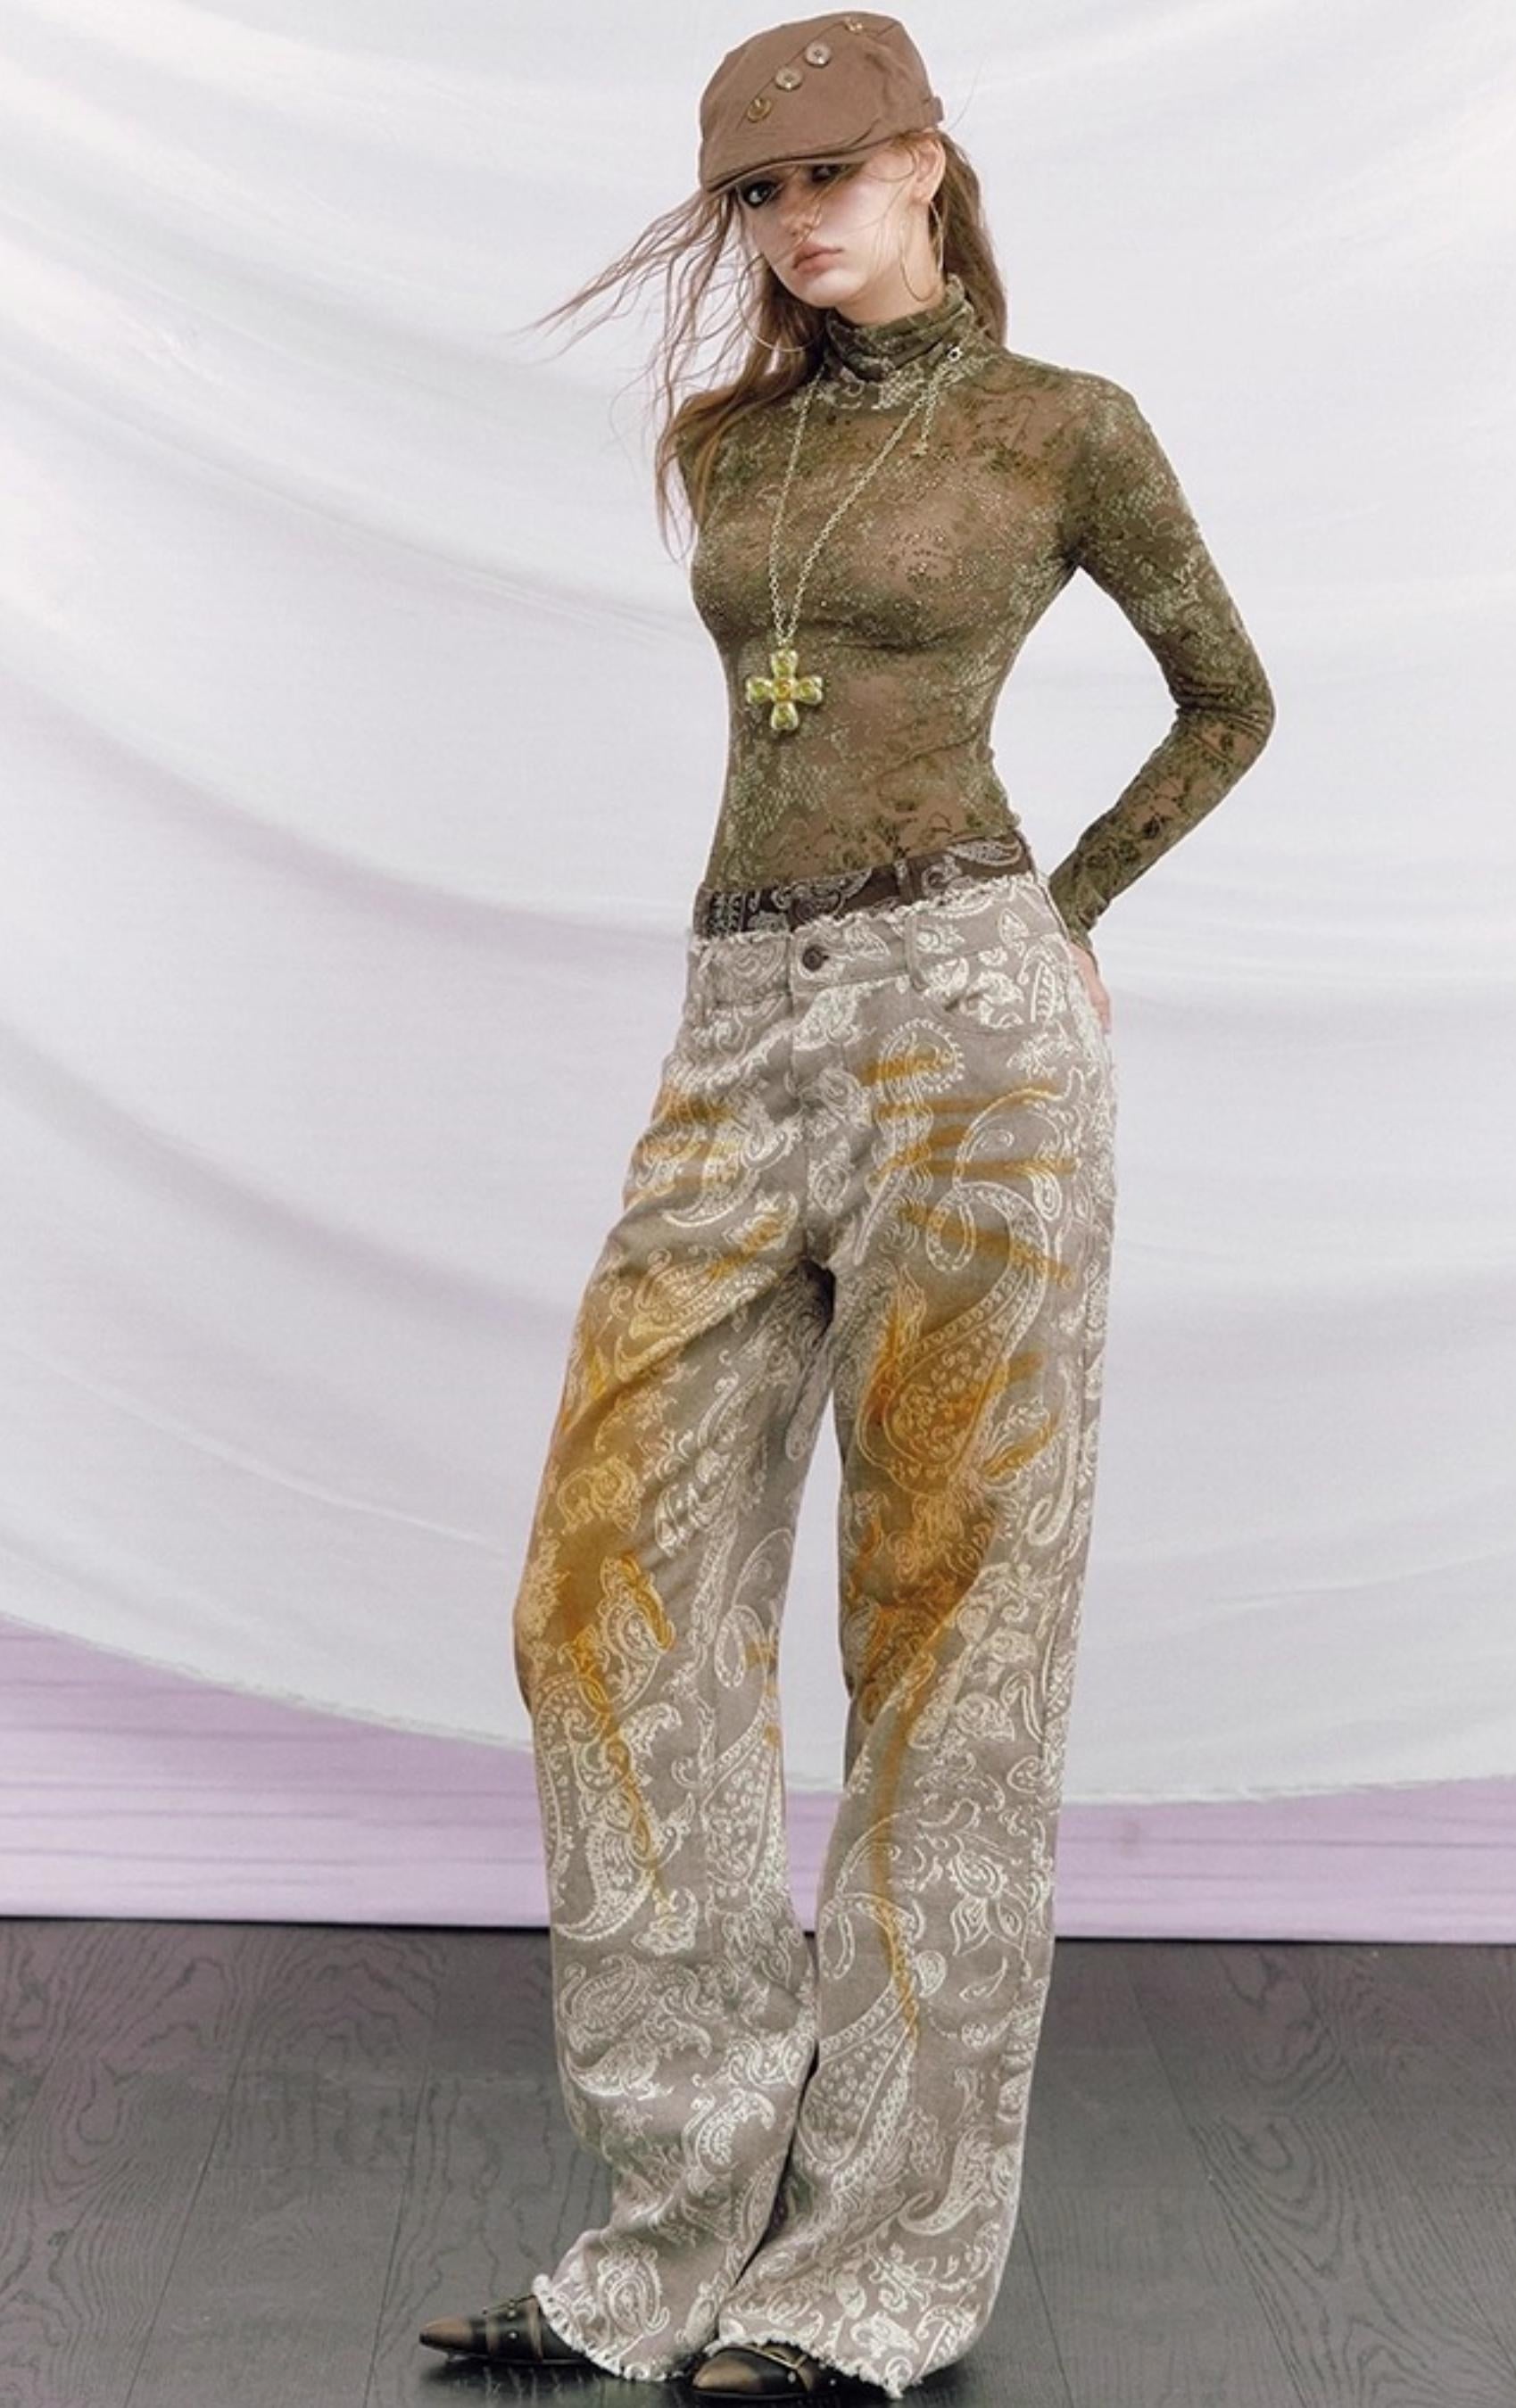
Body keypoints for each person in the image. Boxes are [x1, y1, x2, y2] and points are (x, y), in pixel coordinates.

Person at [419, 11, 1275, 2398]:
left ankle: (874, 2272)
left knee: (949, 1628)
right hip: (739, 1025)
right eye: (757, 194)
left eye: (828, 175)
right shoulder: (731, 441)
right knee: (603, 1598)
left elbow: (1226, 695)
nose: (795, 223)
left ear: (924, 161)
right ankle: (678, 2225)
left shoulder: (1064, 426)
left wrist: (1066, 915)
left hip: (970, 1032)